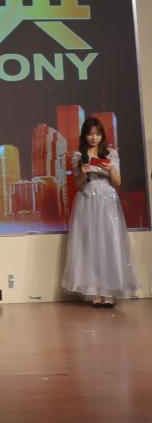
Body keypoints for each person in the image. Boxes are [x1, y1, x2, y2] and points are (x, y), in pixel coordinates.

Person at [62, 117, 139, 307]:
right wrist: (84, 172)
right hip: (87, 200)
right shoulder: (79, 156)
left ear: (102, 135)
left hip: (108, 200)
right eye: (89, 134)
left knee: (109, 242)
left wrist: (109, 168)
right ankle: (94, 292)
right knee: (90, 243)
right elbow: (78, 185)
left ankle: (109, 292)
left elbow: (118, 182)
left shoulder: (111, 154)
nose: (93, 137)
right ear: (84, 135)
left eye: (97, 134)